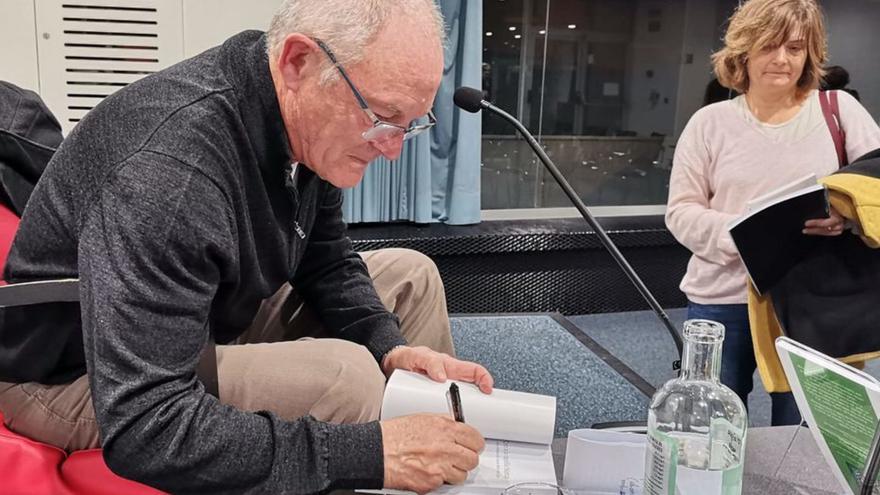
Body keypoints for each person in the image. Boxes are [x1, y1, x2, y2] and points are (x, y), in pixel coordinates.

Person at [0, 1, 495, 493]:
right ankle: (393, 460)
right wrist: (367, 453)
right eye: (384, 117)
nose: (393, 148)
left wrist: (391, 348)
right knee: (346, 380)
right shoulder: (170, 173)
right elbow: (145, 426)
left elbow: (325, 259)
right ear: (298, 62)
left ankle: (441, 459)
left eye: (411, 123)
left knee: (414, 276)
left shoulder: (298, 118)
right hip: (72, 379)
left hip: (198, 317)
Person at [666, 0, 880, 425]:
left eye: (795, 48)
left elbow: (875, 189)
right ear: (744, 51)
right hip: (721, 299)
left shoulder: (839, 112)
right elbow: (681, 213)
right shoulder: (709, 123)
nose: (782, 59)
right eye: (768, 46)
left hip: (815, 299)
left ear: (809, 54)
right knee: (711, 429)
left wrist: (848, 216)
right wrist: (748, 234)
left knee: (808, 431)